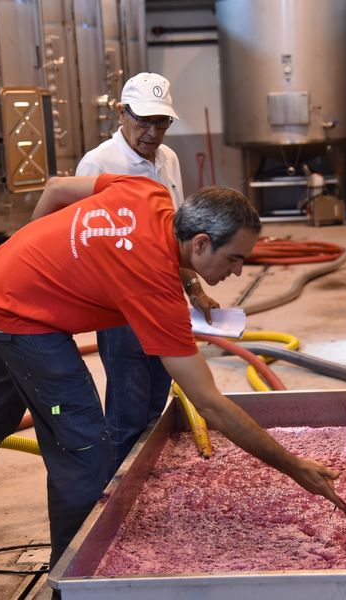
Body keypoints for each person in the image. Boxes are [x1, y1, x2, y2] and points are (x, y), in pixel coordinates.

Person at [0, 174, 346, 583]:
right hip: (24, 318)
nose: (237, 271)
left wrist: (31, 257)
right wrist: (295, 468)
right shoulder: (153, 290)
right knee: (83, 451)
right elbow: (210, 402)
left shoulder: (150, 195)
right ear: (198, 243)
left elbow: (58, 186)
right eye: (234, 259)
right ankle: (71, 584)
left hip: (0, 281)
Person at [75, 72, 218, 474]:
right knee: (127, 412)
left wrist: (193, 287)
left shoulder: (168, 159)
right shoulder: (98, 163)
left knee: (158, 404)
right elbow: (75, 235)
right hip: (122, 307)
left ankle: (146, 491)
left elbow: (175, 232)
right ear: (121, 113)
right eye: (143, 121)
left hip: (164, 297)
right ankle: (113, 507)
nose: (153, 132)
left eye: (162, 122)